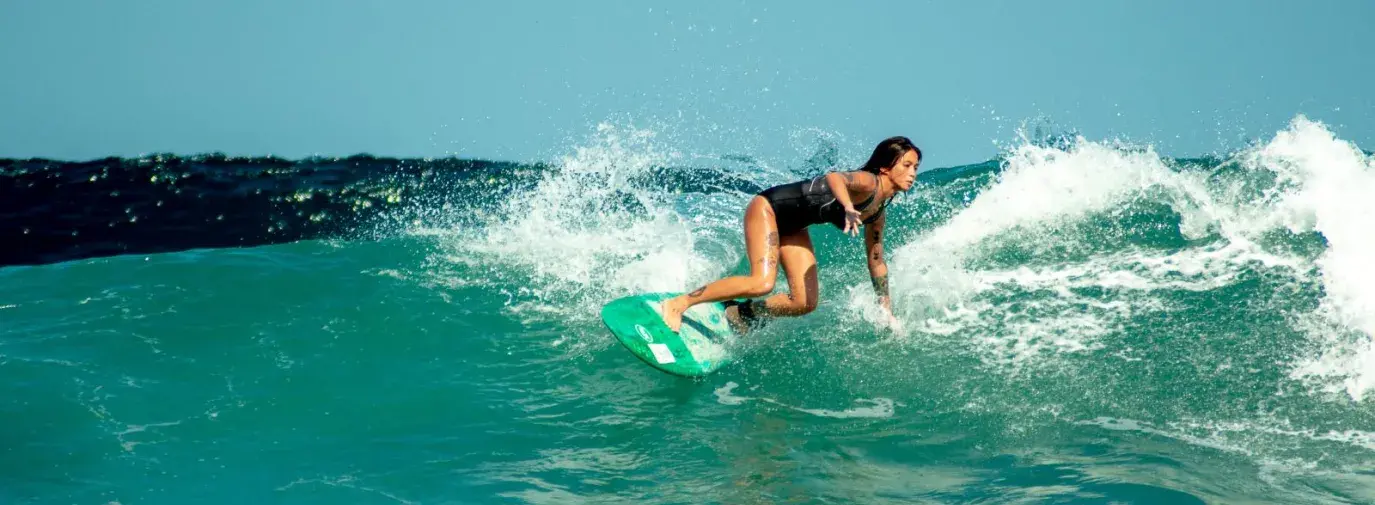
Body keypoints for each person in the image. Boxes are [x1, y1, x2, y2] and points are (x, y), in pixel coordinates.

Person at [659, 136, 921, 333]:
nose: (912, 173)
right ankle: (678, 303)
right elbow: (835, 178)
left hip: (793, 227)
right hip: (768, 209)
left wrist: (885, 308)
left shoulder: (877, 213)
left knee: (804, 302)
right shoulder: (868, 182)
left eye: (916, 167)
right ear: (886, 167)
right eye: (907, 165)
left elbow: (876, 261)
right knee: (761, 283)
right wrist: (849, 207)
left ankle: (739, 313)